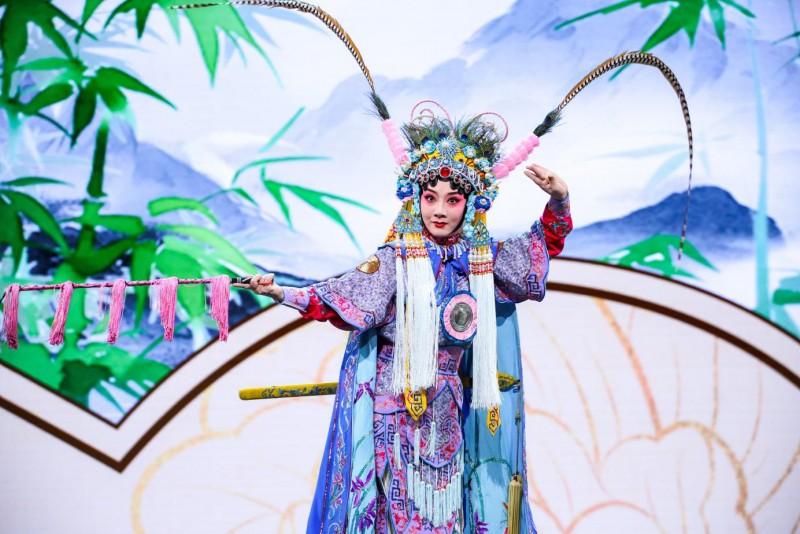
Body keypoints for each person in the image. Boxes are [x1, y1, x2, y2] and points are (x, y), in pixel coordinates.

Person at [237, 113, 573, 533]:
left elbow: (540, 248)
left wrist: (559, 201)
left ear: (471, 203)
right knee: (393, 517)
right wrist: (279, 293)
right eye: (430, 197)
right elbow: (335, 299)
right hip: (394, 408)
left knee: (446, 515)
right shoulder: (394, 260)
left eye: (452, 200)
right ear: (416, 198)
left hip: (447, 408)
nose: (439, 210)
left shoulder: (480, 259)